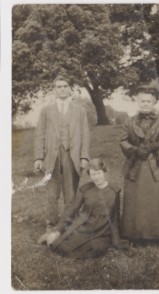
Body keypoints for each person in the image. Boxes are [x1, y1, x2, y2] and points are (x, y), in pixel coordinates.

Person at [120, 85, 159, 242]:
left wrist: (157, 146)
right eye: (142, 101)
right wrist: (135, 150)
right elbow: (123, 141)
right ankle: (135, 233)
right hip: (137, 164)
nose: (145, 104)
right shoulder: (129, 122)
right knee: (138, 198)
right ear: (137, 102)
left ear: (154, 102)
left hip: (158, 164)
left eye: (148, 101)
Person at [34, 75, 90, 233]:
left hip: (72, 156)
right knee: (51, 194)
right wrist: (38, 157)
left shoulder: (80, 111)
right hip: (51, 157)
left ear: (70, 89)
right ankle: (51, 225)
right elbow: (39, 134)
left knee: (71, 193)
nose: (62, 89)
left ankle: (69, 223)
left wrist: (84, 156)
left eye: (65, 86)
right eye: (59, 86)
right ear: (54, 90)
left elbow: (85, 134)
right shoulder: (46, 111)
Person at [38, 158, 122, 258]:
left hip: (103, 231)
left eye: (98, 173)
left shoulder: (114, 191)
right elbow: (71, 211)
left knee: (97, 249)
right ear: (90, 175)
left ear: (104, 172)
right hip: (86, 228)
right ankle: (53, 236)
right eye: (93, 174)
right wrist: (58, 230)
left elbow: (114, 219)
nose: (96, 177)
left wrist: (116, 242)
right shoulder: (85, 190)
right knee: (63, 248)